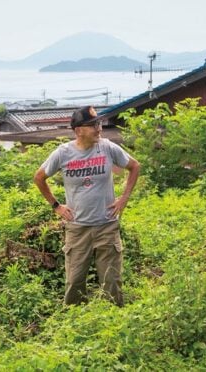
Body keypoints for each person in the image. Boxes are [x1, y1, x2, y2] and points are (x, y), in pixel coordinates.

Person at [33, 105, 140, 306]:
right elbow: (39, 177)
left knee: (111, 282)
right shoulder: (63, 153)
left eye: (98, 123)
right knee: (74, 282)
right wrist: (56, 206)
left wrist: (124, 198)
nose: (98, 128)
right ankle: (74, 323)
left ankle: (114, 321)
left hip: (106, 226)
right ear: (78, 130)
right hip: (77, 227)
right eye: (92, 125)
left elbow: (134, 166)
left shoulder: (107, 147)